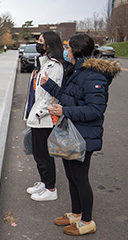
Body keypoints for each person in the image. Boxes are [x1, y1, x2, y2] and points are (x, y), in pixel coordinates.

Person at [40, 33, 120, 235]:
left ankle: (87, 221)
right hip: (72, 132)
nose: (65, 52)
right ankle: (76, 213)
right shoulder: (76, 70)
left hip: (84, 136)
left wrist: (64, 111)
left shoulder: (93, 74)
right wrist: (49, 85)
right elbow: (70, 97)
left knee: (80, 178)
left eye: (68, 48)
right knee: (71, 176)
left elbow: (95, 110)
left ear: (76, 50)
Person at [23, 31, 64, 201]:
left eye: (40, 41)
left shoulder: (55, 66)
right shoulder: (43, 64)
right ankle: (44, 181)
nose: (38, 44)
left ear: (49, 45)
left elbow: (50, 96)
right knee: (38, 154)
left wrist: (38, 114)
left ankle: (50, 188)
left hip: (44, 118)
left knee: (44, 155)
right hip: (37, 117)